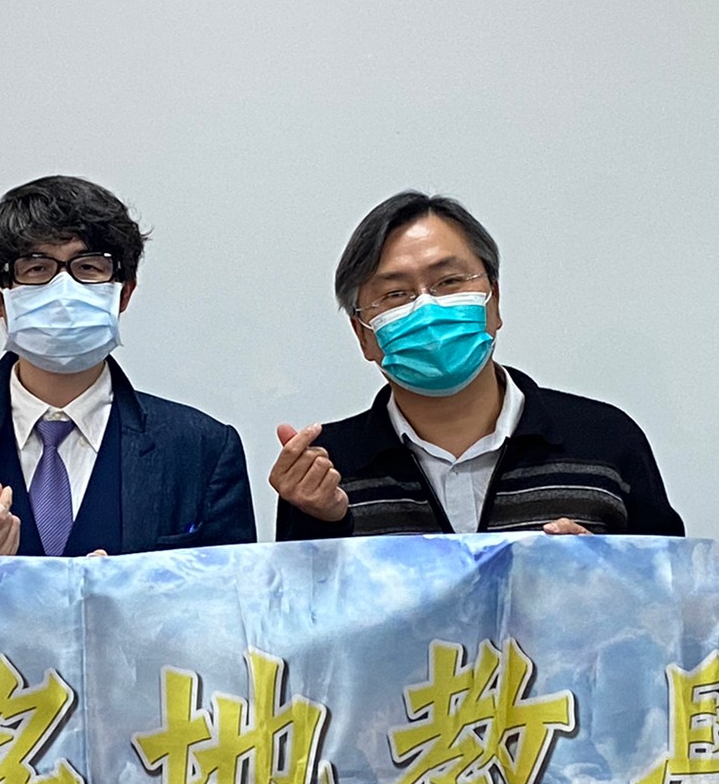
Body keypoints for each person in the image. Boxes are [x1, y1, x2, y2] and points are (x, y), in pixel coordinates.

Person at [0, 175, 254, 557]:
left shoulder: (203, 448)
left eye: (89, 267)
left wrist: (137, 592)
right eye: (36, 268)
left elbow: (234, 594)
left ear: (124, 293)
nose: (64, 292)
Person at [272, 191, 683, 539]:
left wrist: (607, 575)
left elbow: (671, 595)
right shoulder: (325, 471)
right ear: (363, 333)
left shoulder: (606, 441)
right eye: (396, 294)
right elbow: (301, 607)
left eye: (449, 282)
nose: (427, 307)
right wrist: (323, 522)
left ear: (494, 300)